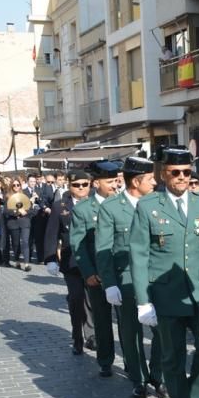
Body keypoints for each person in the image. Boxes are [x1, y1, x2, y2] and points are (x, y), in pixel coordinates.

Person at [132, 147, 199, 398]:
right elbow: (139, 254)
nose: (182, 178)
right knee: (173, 358)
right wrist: (143, 300)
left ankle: (196, 397)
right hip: (166, 296)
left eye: (187, 172)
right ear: (163, 174)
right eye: (175, 173)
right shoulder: (148, 206)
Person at [97, 156, 166, 398]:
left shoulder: (159, 203)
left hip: (157, 278)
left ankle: (158, 376)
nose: (155, 182)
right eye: (150, 179)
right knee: (131, 332)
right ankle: (138, 379)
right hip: (126, 280)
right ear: (136, 181)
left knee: (162, 331)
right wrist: (110, 283)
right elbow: (104, 248)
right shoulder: (111, 208)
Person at [70, 161, 120, 378]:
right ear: (96, 183)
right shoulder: (82, 209)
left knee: (127, 323)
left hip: (121, 273)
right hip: (98, 276)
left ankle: (131, 361)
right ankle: (106, 360)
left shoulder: (122, 205)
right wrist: (89, 273)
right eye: (109, 182)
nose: (115, 186)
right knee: (101, 320)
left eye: (116, 181)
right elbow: (78, 245)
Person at [45, 170, 94, 355]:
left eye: (84, 184)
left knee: (92, 301)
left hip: (93, 260)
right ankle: (77, 336)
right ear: (69, 185)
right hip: (71, 260)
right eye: (76, 185)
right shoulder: (60, 206)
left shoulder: (97, 204)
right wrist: (50, 259)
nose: (81, 188)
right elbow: (52, 233)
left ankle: (91, 335)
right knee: (76, 298)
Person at [4, 178, 34, 271]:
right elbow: (6, 211)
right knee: (16, 243)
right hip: (13, 223)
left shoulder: (25, 195)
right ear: (11, 186)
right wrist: (17, 212)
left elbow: (31, 209)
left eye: (18, 185)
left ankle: (26, 263)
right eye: (14, 185)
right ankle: (17, 260)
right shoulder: (8, 196)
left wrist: (26, 211)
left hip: (25, 222)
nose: (16, 187)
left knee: (25, 242)